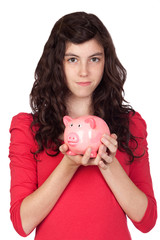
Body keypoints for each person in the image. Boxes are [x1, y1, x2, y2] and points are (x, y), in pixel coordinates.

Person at [9, 12, 157, 240]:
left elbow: (147, 221)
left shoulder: (131, 125)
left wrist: (109, 165)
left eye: (94, 59)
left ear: (106, 62)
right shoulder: (28, 128)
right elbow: (22, 223)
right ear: (56, 63)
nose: (84, 71)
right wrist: (68, 164)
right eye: (72, 59)